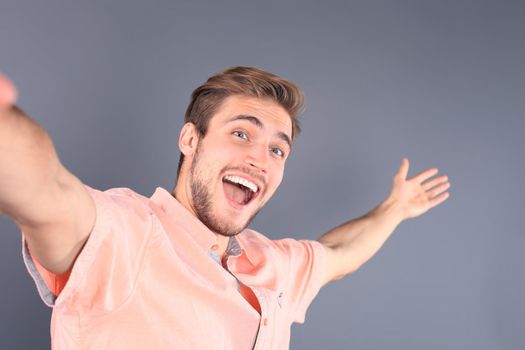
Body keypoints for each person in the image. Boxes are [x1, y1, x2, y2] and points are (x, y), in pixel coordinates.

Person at [0, 67, 450, 349]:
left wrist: (394, 208)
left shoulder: (268, 262)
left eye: (278, 150)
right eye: (241, 133)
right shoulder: (125, 234)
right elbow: (46, 192)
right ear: (190, 140)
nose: (260, 158)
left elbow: (337, 254)